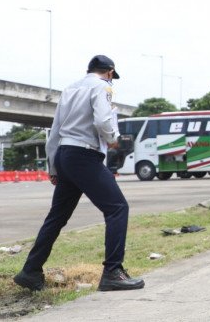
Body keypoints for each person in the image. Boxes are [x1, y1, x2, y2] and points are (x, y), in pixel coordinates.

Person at [13, 56, 145, 292]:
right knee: (117, 208)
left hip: (65, 155)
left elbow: (55, 131)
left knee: (57, 216)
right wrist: (113, 140)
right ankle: (113, 272)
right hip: (84, 156)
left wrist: (54, 167)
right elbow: (103, 120)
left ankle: (30, 271)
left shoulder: (70, 89)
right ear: (110, 72)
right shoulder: (102, 86)